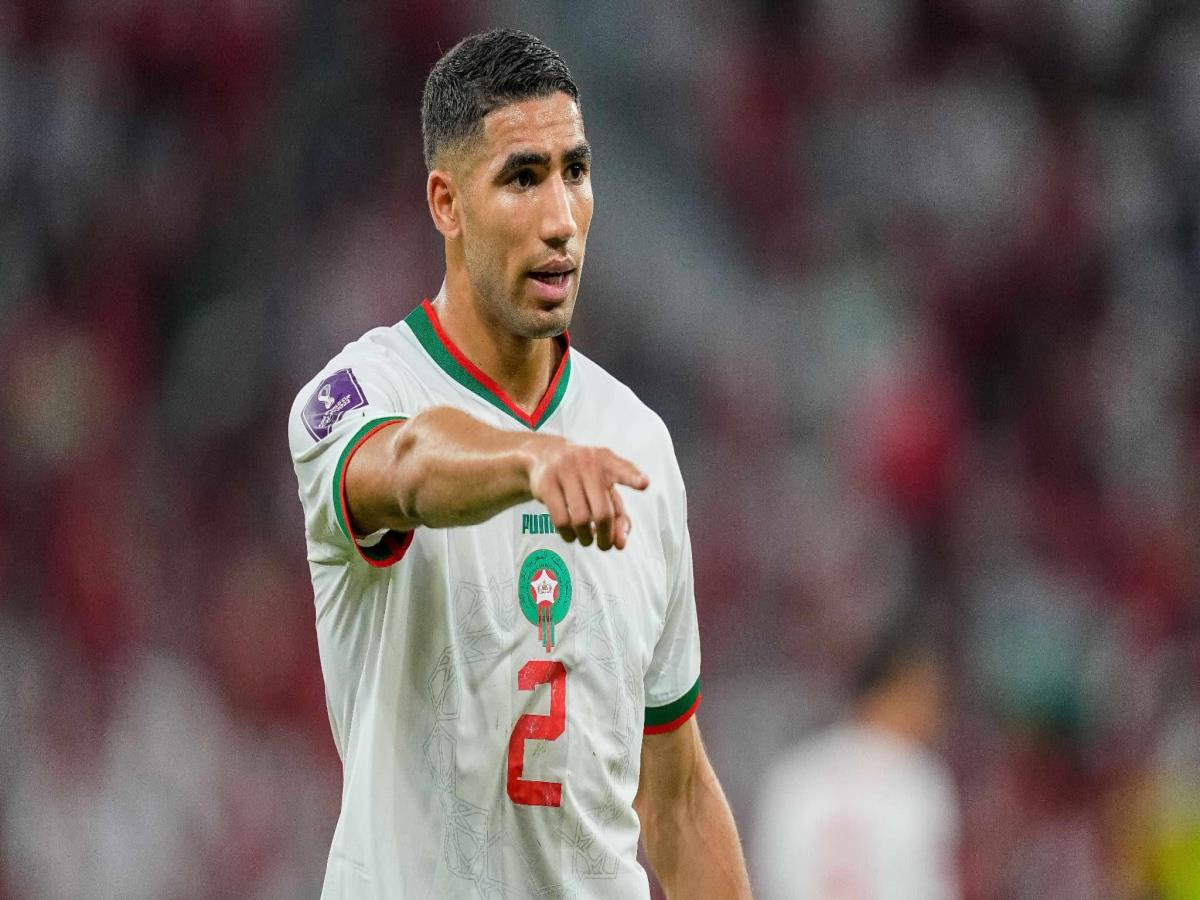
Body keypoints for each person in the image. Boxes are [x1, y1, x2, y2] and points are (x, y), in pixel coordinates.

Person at [287, 28, 752, 900]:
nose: (561, 219)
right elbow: (408, 464)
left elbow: (678, 797)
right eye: (523, 177)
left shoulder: (639, 443)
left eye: (575, 171)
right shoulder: (357, 394)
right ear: (446, 202)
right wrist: (531, 459)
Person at [752, 612, 961, 900]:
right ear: (892, 691)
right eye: (926, 698)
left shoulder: (792, 775)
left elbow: (766, 883)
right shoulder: (919, 781)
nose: (933, 716)